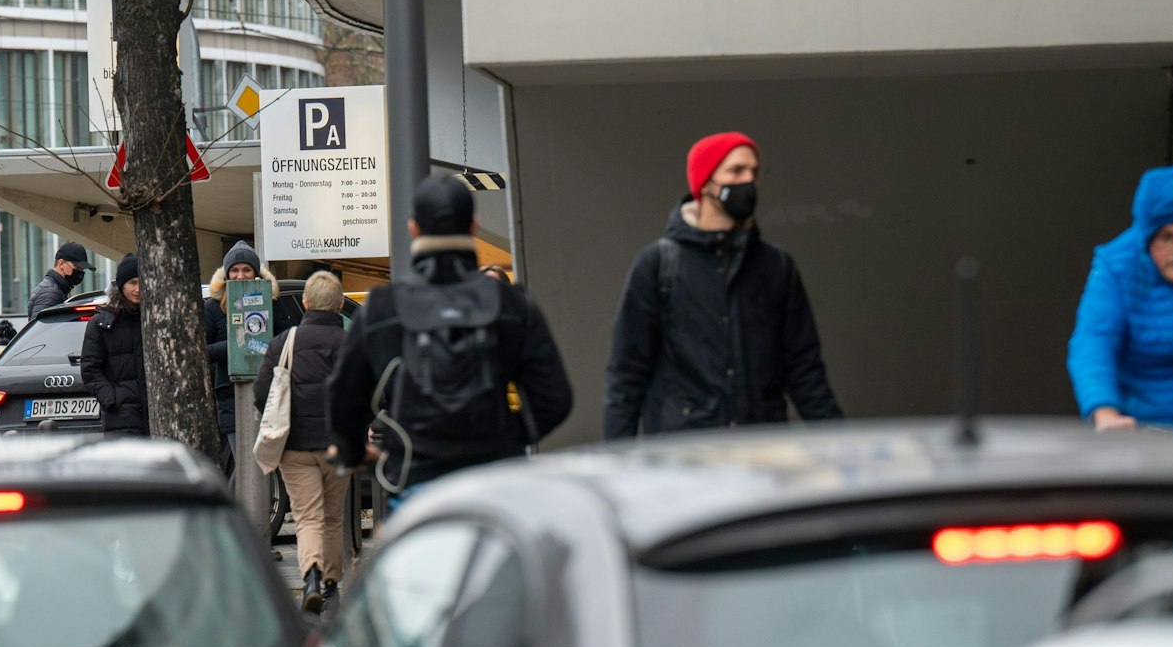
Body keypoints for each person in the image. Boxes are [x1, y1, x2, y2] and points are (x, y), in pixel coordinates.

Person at [329, 176, 574, 501]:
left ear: (414, 229)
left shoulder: (382, 308)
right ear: (474, 226)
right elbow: (555, 399)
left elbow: (344, 397)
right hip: (496, 480)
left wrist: (351, 451)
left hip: (417, 481)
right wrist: (510, 439)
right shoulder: (512, 303)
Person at [603, 131, 842, 439]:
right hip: (684, 456)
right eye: (736, 171)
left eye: (754, 173)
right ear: (705, 183)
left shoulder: (776, 266)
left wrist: (840, 447)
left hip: (761, 451)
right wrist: (617, 458)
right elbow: (626, 373)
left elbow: (805, 369)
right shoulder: (658, 265)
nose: (748, 182)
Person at [1068, 166, 1173, 431]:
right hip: (1146, 428)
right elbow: (1094, 341)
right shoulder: (1115, 265)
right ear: (1146, 240)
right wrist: (1105, 412)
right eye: (1166, 238)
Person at [254, 269, 351, 613]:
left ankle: (310, 576)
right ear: (340, 304)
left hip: (295, 447)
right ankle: (330, 586)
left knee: (307, 517)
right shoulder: (351, 344)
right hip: (339, 445)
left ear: (306, 302)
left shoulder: (285, 342)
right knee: (333, 518)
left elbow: (261, 391)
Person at [203, 240, 304, 455]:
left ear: (256, 273)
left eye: (247, 270)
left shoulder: (272, 302)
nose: (241, 276)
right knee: (243, 461)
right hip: (231, 395)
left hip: (268, 393)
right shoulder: (212, 307)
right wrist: (238, 345)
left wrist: (262, 342)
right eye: (235, 270)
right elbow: (204, 352)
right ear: (227, 274)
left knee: (263, 461)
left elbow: (287, 340)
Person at [81, 253, 147, 436]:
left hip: (154, 413)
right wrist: (111, 399)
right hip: (121, 417)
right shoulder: (102, 323)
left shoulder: (155, 319)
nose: (138, 289)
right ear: (121, 285)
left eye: (142, 282)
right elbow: (90, 369)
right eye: (132, 282)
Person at [28, 241, 93, 317]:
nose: (81, 272)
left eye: (82, 269)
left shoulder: (56, 289)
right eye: (77, 267)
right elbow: (42, 327)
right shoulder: (50, 293)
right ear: (61, 264)